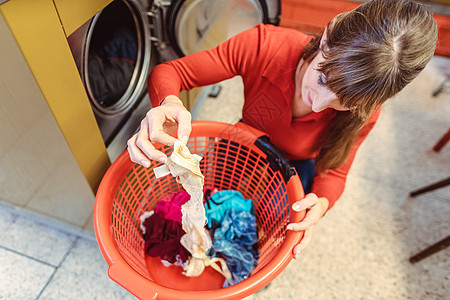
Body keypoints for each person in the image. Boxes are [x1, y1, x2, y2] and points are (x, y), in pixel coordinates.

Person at [127, 0, 438, 258]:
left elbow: (335, 173)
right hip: (240, 144)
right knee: (207, 210)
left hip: (294, 169)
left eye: (342, 102)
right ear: (327, 36)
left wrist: (322, 203)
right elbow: (172, 71)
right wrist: (168, 103)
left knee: (263, 238)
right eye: (323, 80)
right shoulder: (264, 46)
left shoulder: (365, 110)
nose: (318, 105)